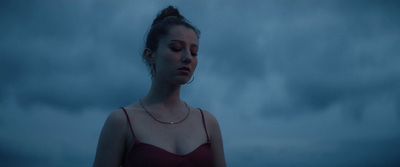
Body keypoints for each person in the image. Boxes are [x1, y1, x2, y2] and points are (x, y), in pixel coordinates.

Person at [93, 6, 226, 167]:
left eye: (194, 52)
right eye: (176, 48)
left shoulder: (207, 122)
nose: (187, 58)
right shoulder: (121, 121)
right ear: (149, 55)